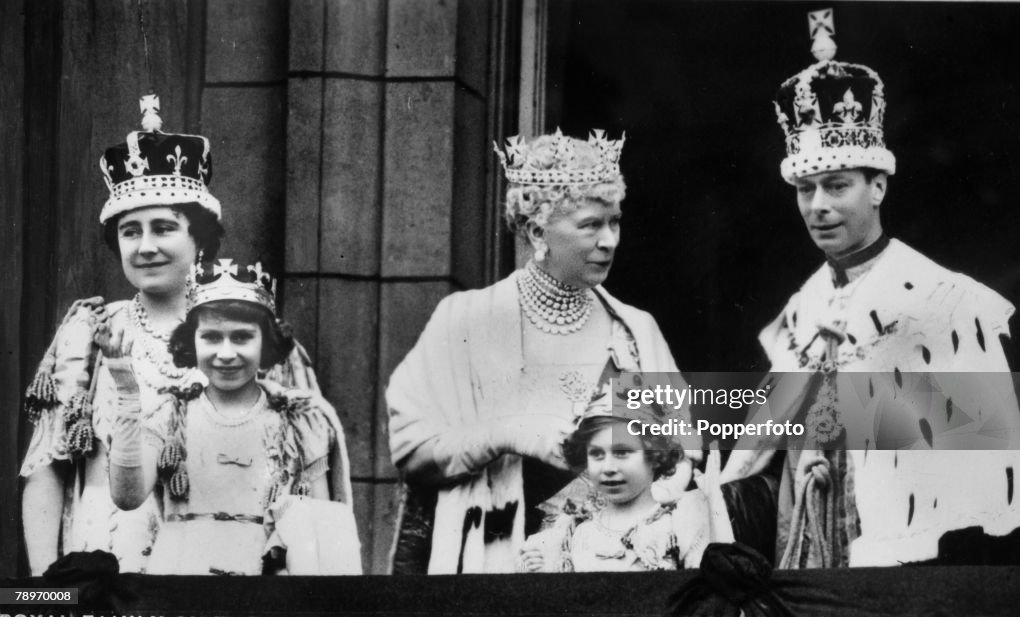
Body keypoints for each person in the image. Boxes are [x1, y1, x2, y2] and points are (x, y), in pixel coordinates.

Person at [720, 10, 1020, 567]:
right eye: (806, 189)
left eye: (837, 185)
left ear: (877, 186)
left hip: (908, 557)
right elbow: (758, 458)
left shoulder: (944, 300)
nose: (819, 206)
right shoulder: (803, 307)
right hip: (805, 544)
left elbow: (981, 461)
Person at [18, 95, 318, 575]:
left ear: (200, 238)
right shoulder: (91, 333)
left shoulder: (248, 334)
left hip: (223, 556)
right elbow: (47, 469)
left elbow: (302, 479)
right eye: (130, 232)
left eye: (164, 227)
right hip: (103, 556)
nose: (147, 246)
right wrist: (44, 588)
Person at [386, 129, 698, 574]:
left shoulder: (634, 330)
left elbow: (686, 448)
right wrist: (509, 432)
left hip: (616, 570)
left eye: (615, 222)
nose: (610, 240)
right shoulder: (466, 319)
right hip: (496, 558)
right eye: (591, 225)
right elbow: (413, 452)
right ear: (537, 231)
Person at [102, 259, 359, 575]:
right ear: (191, 340)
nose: (225, 353)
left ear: (265, 341)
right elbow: (127, 497)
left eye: (241, 337)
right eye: (211, 337)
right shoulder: (169, 416)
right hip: (177, 589)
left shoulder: (300, 423)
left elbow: (322, 533)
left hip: (263, 597)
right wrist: (128, 394)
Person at [516, 402, 712, 572]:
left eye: (622, 452)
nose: (608, 468)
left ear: (655, 457)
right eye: (597, 454)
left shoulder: (679, 525)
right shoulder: (572, 534)